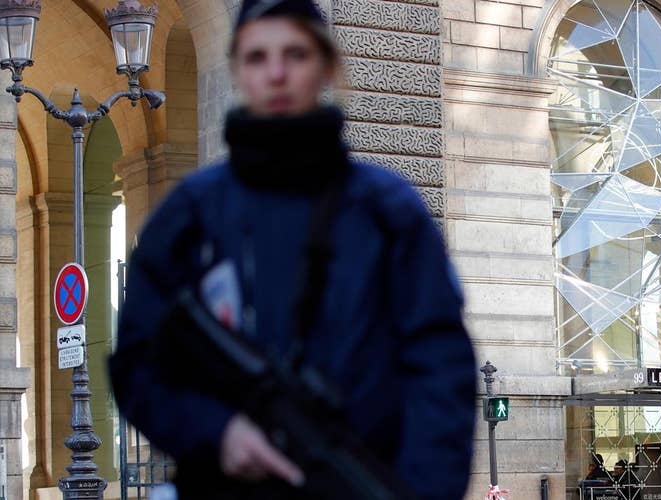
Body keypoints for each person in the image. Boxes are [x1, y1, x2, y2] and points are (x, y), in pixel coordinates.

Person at [108, 0, 477, 498]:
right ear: (237, 69)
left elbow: (441, 370)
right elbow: (137, 366)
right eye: (258, 57)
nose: (277, 73)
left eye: (296, 54)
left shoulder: (388, 211)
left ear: (326, 65)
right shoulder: (190, 216)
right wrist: (217, 432)